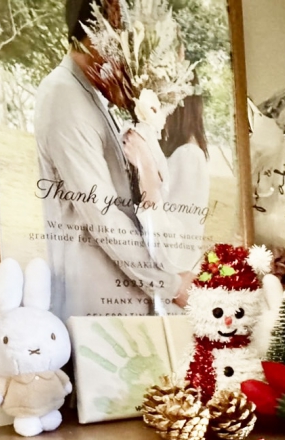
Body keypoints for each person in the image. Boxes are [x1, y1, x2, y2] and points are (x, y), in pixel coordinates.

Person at [32, 0, 193, 318]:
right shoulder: (64, 96)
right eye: (123, 28)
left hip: (118, 304)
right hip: (95, 307)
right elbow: (102, 215)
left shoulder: (90, 95)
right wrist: (171, 285)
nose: (128, 43)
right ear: (100, 27)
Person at [160, 86, 211, 272]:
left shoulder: (187, 155)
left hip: (175, 268)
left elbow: (178, 225)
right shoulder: (184, 152)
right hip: (175, 265)